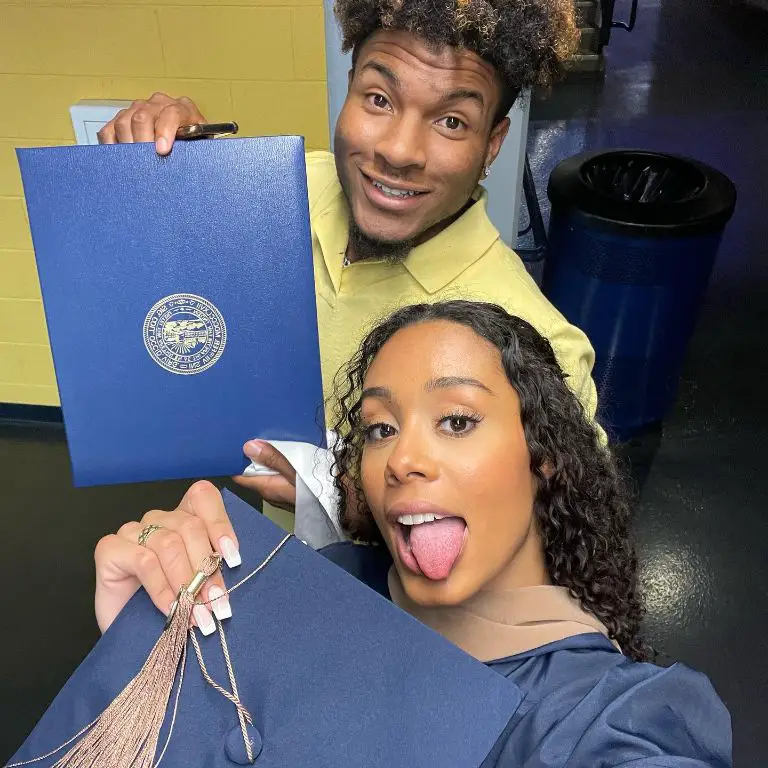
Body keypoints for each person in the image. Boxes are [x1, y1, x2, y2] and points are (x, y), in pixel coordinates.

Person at [92, 300, 731, 767]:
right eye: (380, 428)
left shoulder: (610, 716)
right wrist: (142, 652)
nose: (401, 461)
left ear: (544, 454)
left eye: (455, 420)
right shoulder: (312, 582)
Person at [96, 0, 602, 517]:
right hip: (263, 559)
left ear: (493, 143)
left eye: (451, 120)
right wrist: (162, 160)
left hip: (389, 597)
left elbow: (567, 543)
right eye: (379, 98)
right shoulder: (271, 195)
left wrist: (356, 499)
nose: (400, 151)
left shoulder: (537, 346)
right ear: (349, 88)